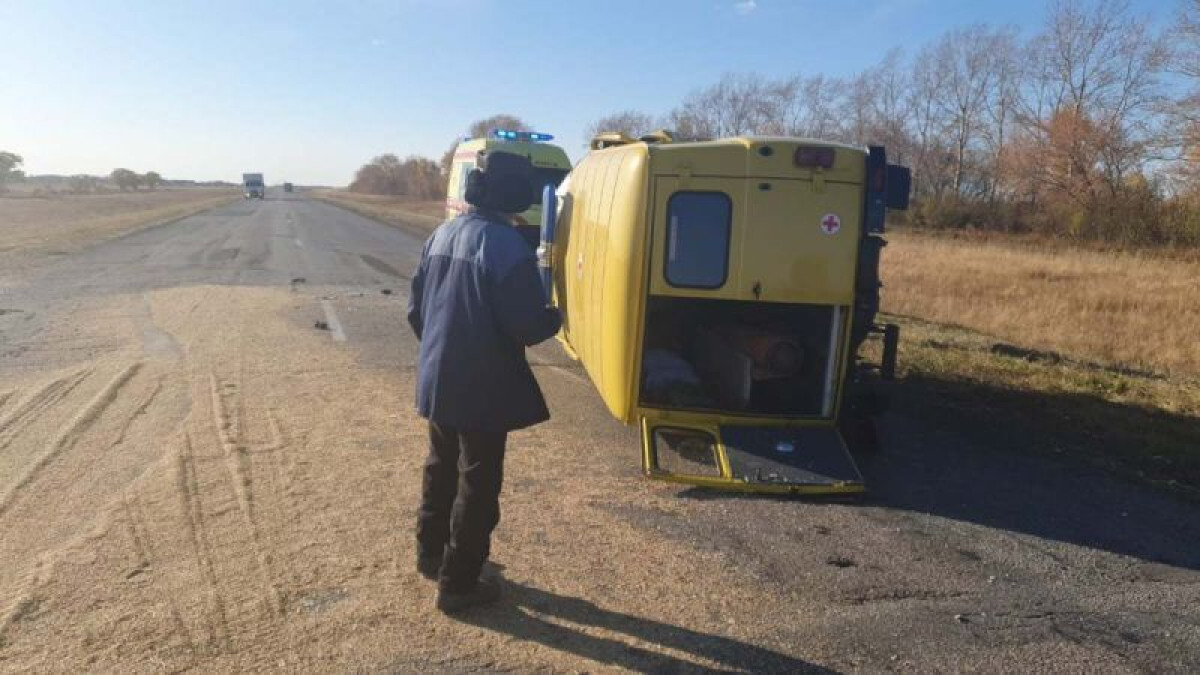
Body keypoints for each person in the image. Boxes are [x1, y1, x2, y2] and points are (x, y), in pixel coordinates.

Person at [406, 150, 562, 613]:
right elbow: (528, 327)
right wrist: (557, 314)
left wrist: (442, 351)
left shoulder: (440, 234)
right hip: (483, 388)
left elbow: (416, 312)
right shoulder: (508, 247)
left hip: (438, 376)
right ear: (516, 197)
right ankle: (459, 584)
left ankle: (430, 554)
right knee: (478, 483)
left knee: (440, 467)